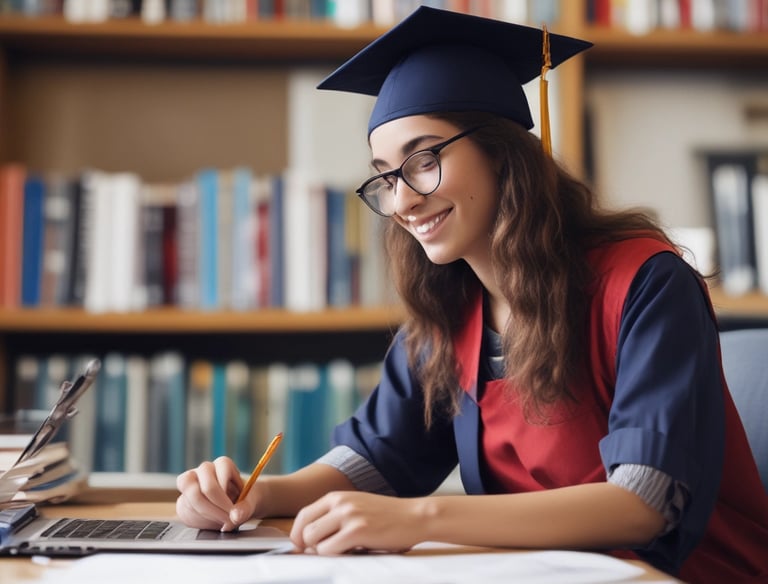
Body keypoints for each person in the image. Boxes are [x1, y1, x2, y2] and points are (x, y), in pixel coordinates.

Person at [176, 7, 768, 582]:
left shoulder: (643, 283)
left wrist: (419, 517)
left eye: (424, 159)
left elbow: (642, 503)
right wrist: (252, 497)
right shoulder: (450, 309)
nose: (402, 201)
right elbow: (377, 460)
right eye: (385, 176)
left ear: (503, 154)